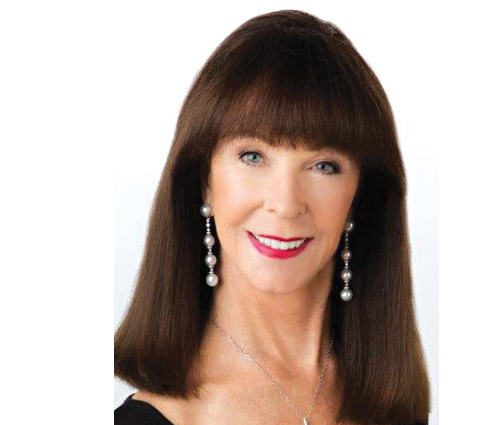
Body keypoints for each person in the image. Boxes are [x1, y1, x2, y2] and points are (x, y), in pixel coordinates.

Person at [115, 9, 430, 425]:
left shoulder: (395, 411)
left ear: (359, 198)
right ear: (204, 181)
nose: (285, 203)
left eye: (324, 165)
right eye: (252, 156)